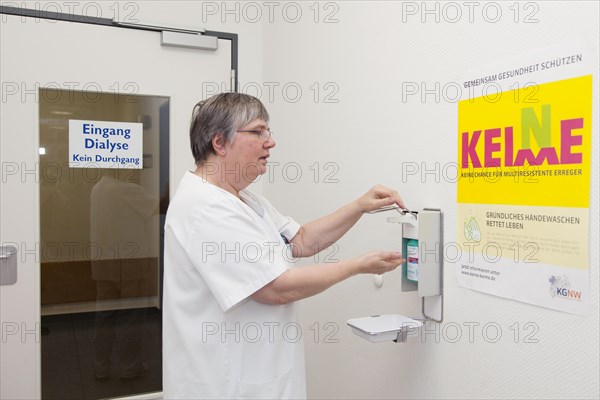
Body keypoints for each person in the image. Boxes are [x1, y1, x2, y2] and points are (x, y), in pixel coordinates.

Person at [162, 93, 405, 399]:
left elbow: (301, 240)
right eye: (258, 131)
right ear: (219, 143)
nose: (270, 142)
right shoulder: (205, 208)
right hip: (223, 383)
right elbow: (276, 289)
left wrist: (359, 206)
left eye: (269, 132)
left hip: (259, 372)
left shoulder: (244, 198)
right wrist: (357, 266)